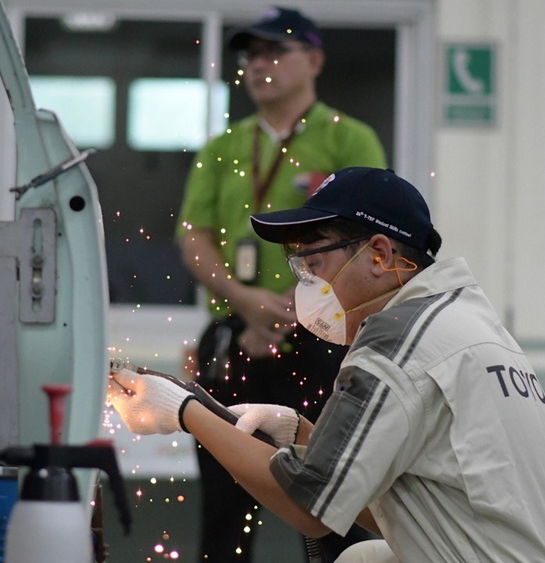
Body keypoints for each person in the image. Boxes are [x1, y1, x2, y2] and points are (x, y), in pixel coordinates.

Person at [114, 167, 545, 562]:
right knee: (364, 559)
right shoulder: (468, 322)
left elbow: (311, 507)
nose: (306, 285)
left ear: (380, 255)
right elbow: (390, 500)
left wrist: (185, 410)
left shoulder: (395, 342)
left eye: (314, 264)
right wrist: (299, 434)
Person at [175, 6, 387, 562]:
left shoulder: (348, 139)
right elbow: (193, 236)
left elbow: (369, 237)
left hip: (322, 341)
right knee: (224, 513)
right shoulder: (223, 147)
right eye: (251, 55)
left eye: (274, 51)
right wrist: (244, 301)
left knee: (331, 509)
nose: (258, 64)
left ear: (313, 60)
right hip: (237, 337)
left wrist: (302, 304)